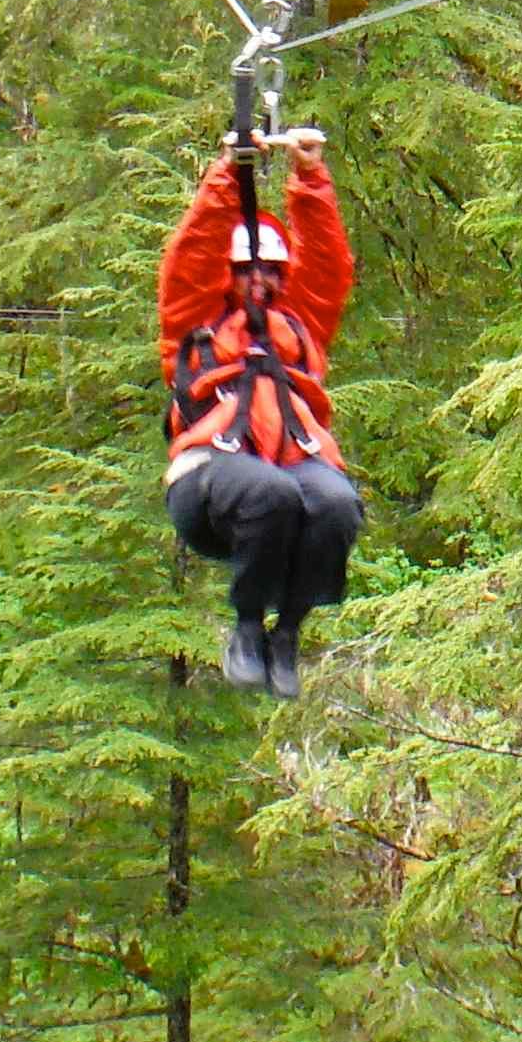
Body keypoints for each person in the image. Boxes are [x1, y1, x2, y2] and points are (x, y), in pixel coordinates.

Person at [163, 130, 362, 700]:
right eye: (250, 270)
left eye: (273, 271)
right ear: (228, 274)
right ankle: (246, 627)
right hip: (209, 477)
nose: (262, 281)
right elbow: (193, 254)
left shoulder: (300, 325)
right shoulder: (194, 321)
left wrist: (310, 176)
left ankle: (288, 633)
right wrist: (229, 171)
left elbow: (326, 263)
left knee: (336, 504)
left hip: (292, 463)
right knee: (269, 491)